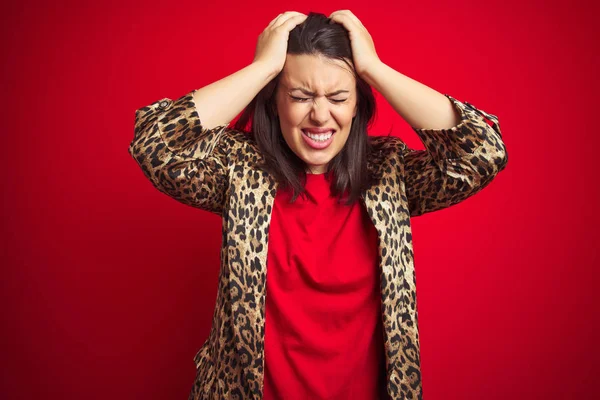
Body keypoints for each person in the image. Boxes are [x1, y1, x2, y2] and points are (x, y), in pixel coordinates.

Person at [128, 10, 508, 400]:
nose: (320, 115)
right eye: (299, 96)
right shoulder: (240, 170)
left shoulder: (390, 175)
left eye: (339, 97)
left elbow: (483, 152)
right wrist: (262, 69)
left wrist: (374, 69)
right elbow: (155, 146)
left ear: (358, 104)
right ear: (275, 102)